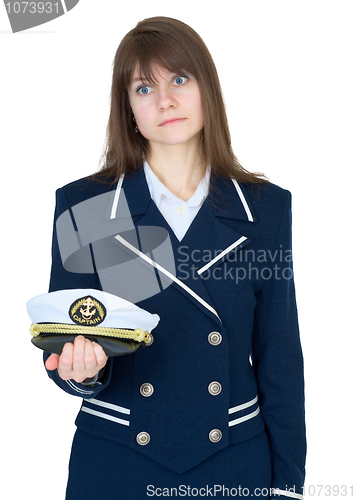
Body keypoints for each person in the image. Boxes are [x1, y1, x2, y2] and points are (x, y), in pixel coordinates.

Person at [43, 16, 306, 500]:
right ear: (129, 112)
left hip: (234, 464)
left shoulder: (266, 209)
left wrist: (288, 487)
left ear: (207, 88)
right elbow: (61, 340)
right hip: (116, 463)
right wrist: (82, 372)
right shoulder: (85, 207)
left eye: (179, 79)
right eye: (144, 88)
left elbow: (281, 359)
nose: (164, 100)